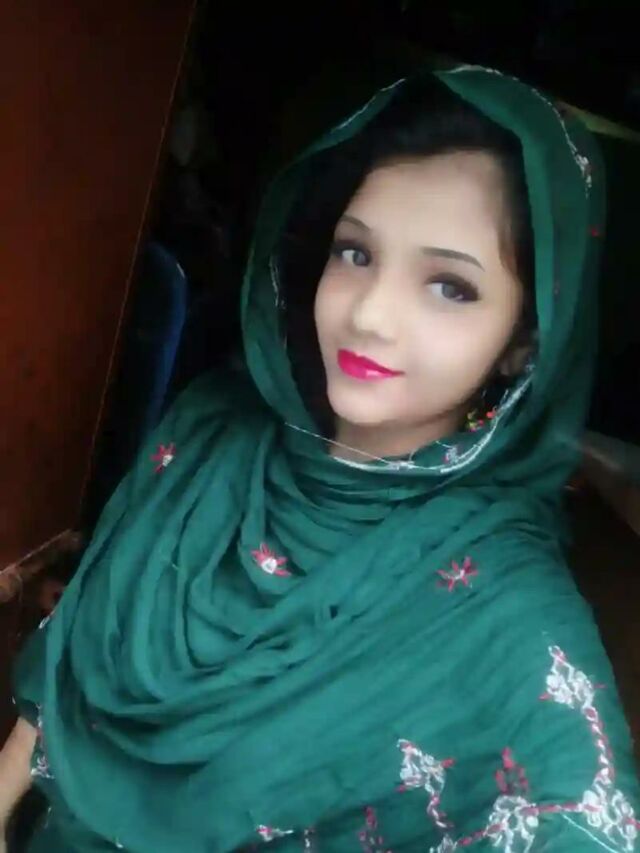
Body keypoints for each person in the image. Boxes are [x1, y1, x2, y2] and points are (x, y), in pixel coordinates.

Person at [1, 65, 639, 853]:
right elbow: (72, 651)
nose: (370, 314)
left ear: (524, 343)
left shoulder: (506, 618)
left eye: (449, 286)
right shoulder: (210, 436)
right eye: (355, 252)